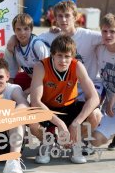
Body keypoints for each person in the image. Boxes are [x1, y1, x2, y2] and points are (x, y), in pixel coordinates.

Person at [7, 0, 103, 102]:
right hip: (65, 87)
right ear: (56, 19)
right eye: (60, 16)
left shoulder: (88, 35)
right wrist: (14, 38)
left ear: (75, 17)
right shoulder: (50, 36)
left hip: (90, 83)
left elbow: (109, 37)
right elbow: (29, 38)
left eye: (67, 15)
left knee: (92, 114)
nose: (64, 19)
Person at [30, 35, 101, 164]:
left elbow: (94, 98)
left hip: (69, 106)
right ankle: (49, 141)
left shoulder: (77, 66)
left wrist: (76, 123)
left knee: (96, 115)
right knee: (32, 120)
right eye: (59, 55)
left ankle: (74, 141)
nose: (63, 60)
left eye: (67, 56)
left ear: (72, 56)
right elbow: (35, 101)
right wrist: (60, 124)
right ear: (52, 54)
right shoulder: (41, 67)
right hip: (47, 108)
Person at [4, 13, 49, 96]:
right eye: (18, 29)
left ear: (31, 29)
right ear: (14, 31)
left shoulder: (37, 45)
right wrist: (9, 93)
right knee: (13, 83)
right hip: (32, 78)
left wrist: (26, 92)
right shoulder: (12, 46)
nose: (22, 33)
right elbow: (10, 76)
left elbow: (49, 74)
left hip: (47, 81)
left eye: (26, 29)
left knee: (35, 101)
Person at [91, 14, 115, 149]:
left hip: (113, 101)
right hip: (111, 107)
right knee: (95, 140)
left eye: (113, 31)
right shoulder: (99, 48)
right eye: (105, 31)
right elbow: (76, 35)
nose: (108, 35)